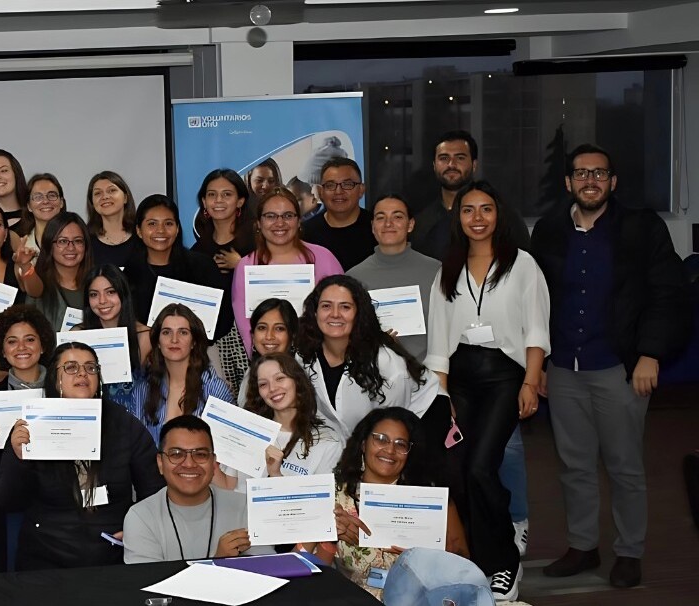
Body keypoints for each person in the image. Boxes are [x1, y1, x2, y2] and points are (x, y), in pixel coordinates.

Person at [531, 144, 691, 588]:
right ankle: (583, 546)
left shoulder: (642, 228)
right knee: (574, 465)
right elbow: (536, 300)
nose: (591, 180)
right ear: (568, 182)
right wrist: (537, 363)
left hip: (619, 368)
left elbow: (668, 293)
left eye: (599, 173)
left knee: (625, 466)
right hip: (563, 369)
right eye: (582, 173)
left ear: (613, 182)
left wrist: (650, 353)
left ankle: (629, 551)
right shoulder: (548, 231)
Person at [425, 180, 548, 601]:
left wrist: (530, 382)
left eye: (486, 209)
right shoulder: (447, 268)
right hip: (460, 377)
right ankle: (477, 559)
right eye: (468, 210)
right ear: (457, 218)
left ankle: (505, 561)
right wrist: (442, 398)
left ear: (499, 214)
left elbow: (536, 329)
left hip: (504, 376)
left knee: (481, 466)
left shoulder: (522, 264)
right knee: (458, 469)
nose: (477, 218)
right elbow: (438, 342)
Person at [0, 341, 164, 570]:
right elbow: (8, 501)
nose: (83, 373)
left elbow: (153, 488)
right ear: (55, 378)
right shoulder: (32, 425)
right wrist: (18, 458)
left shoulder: (124, 424)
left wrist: (139, 529)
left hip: (111, 553)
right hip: (46, 555)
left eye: (91, 368)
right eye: (71, 367)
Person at [319, 408, 468, 601]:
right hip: (354, 599)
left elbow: (463, 565)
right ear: (363, 444)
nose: (390, 450)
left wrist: (427, 556)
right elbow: (314, 572)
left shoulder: (430, 497)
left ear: (409, 453)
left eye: (400, 444)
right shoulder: (334, 494)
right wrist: (329, 536)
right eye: (381, 439)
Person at [0, 305, 56, 572]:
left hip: (58, 504)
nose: (22, 347)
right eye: (12, 341)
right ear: (3, 350)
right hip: (11, 506)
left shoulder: (62, 390)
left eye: (30, 339)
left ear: (43, 345)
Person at [296, 275, 440, 439]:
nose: (335, 314)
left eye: (345, 307)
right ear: (315, 312)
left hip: (419, 423)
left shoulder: (386, 364)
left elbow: (390, 427)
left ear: (358, 314)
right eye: (326, 306)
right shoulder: (304, 354)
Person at [123, 416, 270, 563]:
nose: (189, 464)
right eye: (176, 454)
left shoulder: (245, 507)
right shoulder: (141, 517)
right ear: (160, 463)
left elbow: (267, 569)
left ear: (213, 463)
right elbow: (148, 578)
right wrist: (218, 561)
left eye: (200, 455)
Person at [231, 188, 344, 352]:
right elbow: (246, 325)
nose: (280, 223)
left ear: (299, 221)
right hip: (268, 358)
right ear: (259, 223)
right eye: (270, 216)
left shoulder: (324, 258)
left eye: (288, 216)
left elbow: (343, 309)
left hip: (320, 356)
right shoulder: (246, 265)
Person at [218, 353, 343, 492]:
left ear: (297, 381)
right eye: (263, 384)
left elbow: (321, 501)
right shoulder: (247, 430)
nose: (272, 388)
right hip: (239, 506)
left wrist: (276, 474)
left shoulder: (327, 441)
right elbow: (228, 484)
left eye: (280, 378)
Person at [347, 194, 441, 361]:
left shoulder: (436, 271)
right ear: (373, 226)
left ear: (410, 224)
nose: (388, 224)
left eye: (397, 217)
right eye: (380, 217)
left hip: (428, 370)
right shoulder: (353, 278)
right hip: (372, 369)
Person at [411, 131, 530, 259]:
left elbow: (524, 264)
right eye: (444, 158)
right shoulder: (421, 223)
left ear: (474, 165)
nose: (451, 164)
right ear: (434, 165)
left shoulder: (503, 217)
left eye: (460, 158)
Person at [190, 169, 257, 392]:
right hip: (213, 346)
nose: (218, 200)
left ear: (240, 201)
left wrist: (243, 265)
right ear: (203, 201)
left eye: (227, 194)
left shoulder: (258, 243)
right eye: (212, 195)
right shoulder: (197, 251)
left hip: (253, 338)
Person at [131, 304, 232, 445]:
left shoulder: (214, 389)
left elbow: (226, 447)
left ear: (194, 342)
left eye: (183, 332)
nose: (174, 339)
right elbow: (135, 446)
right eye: (166, 332)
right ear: (158, 342)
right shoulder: (142, 390)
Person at [124, 194, 222, 322]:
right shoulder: (128, 274)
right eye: (152, 224)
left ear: (177, 229)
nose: (161, 230)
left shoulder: (202, 266)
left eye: (168, 223)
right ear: (139, 230)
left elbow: (221, 316)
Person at [78, 265, 150, 414]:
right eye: (94, 294)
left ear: (123, 293)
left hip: (136, 417)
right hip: (91, 416)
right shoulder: (78, 334)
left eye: (110, 292)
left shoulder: (145, 336)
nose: (102, 300)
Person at [300, 158, 376, 270]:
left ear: (361, 190)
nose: (338, 191)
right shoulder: (304, 233)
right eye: (330, 185)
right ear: (321, 192)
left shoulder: (378, 228)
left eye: (347, 184)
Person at [24, 212, 91, 331]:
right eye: (62, 241)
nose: (71, 247)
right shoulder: (38, 286)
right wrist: (24, 265)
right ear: (49, 245)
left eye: (78, 241)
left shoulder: (98, 283)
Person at [235, 298, 300, 400]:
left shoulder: (305, 373)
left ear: (292, 335)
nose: (269, 336)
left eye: (279, 328)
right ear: (253, 335)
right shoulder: (251, 373)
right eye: (262, 328)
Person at [86, 171, 141, 268]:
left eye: (111, 190)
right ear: (92, 203)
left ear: (125, 197)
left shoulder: (142, 235)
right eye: (98, 193)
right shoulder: (85, 240)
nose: (105, 197)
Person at [21, 173, 66, 254]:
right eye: (38, 197)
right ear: (29, 206)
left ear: (61, 202)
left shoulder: (77, 239)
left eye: (52, 195)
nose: (45, 201)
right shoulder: (22, 246)